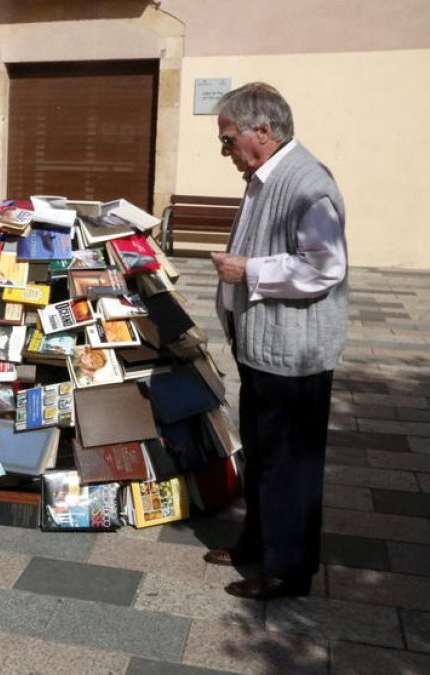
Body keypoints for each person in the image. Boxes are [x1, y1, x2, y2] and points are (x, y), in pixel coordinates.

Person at [206, 83, 348, 600]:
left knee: (290, 465)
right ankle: (256, 544)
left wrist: (248, 270)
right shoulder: (262, 177)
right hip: (262, 346)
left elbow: (325, 266)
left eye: (228, 140)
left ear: (262, 132)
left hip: (295, 354)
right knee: (263, 455)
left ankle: (288, 571)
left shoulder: (307, 183)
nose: (225, 152)